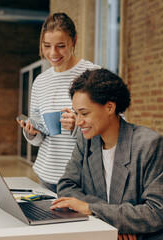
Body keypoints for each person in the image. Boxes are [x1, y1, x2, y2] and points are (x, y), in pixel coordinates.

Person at [51, 69, 163, 240]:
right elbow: (66, 186)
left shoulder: (149, 144)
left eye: (84, 113)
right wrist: (115, 221)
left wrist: (91, 208)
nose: (78, 121)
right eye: (76, 113)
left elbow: (156, 212)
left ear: (109, 107)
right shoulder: (86, 141)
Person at [17, 12, 99, 192]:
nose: (53, 53)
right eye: (47, 46)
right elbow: (39, 138)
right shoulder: (40, 81)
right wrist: (32, 133)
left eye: (61, 46)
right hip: (46, 175)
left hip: (81, 178)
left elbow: (115, 125)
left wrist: (78, 124)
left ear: (74, 41)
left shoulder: (94, 75)